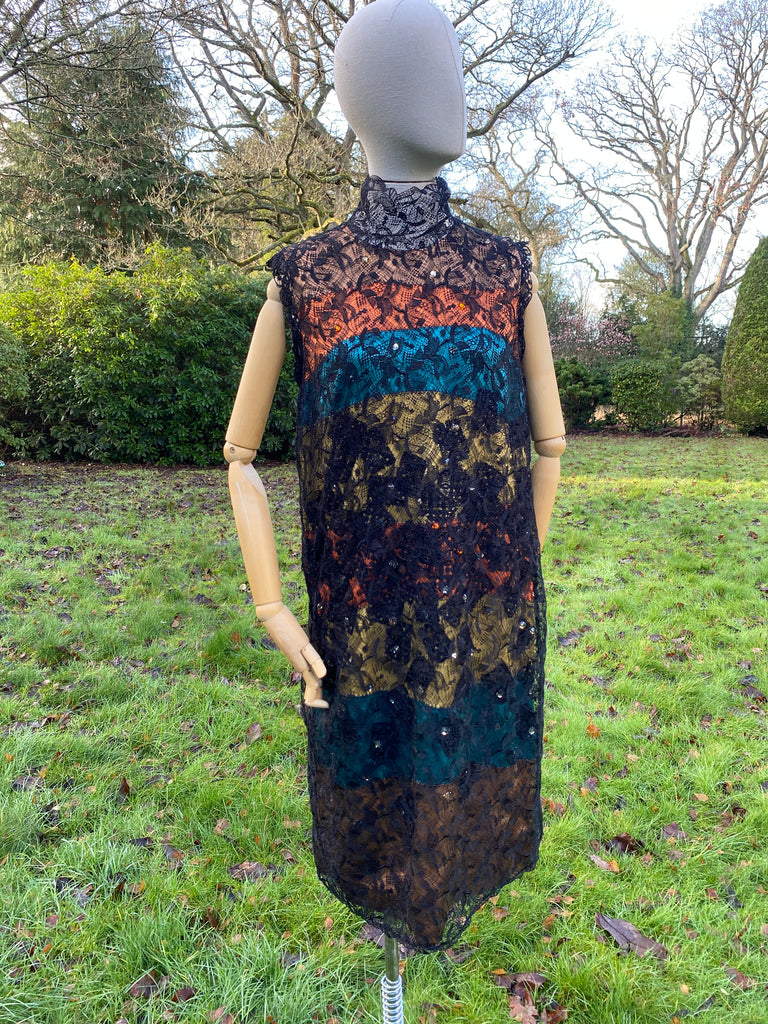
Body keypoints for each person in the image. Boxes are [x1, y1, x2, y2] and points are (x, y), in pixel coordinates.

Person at [224, 0, 565, 952]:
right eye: (428, 67)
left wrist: (515, 578)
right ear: (365, 96)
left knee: (460, 788)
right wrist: (274, 611)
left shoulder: (505, 273)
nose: (455, 91)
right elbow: (239, 456)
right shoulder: (308, 279)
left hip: (481, 614)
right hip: (360, 615)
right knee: (374, 800)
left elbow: (550, 446)